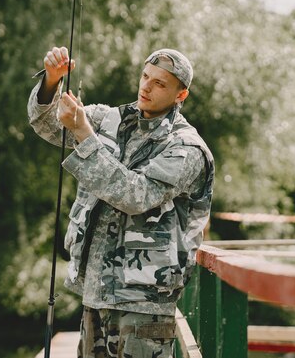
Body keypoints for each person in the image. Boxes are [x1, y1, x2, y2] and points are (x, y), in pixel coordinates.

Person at [27, 46, 214, 358]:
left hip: (143, 305)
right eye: (145, 76)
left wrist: (85, 135)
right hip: (95, 293)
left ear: (181, 96)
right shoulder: (110, 120)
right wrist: (51, 81)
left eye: (160, 83)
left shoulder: (187, 148)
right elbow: (47, 124)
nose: (146, 86)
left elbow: (135, 196)